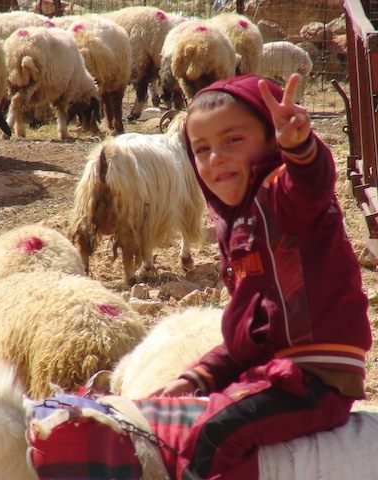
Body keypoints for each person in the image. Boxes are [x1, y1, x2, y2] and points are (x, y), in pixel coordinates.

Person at [157, 73, 372, 480]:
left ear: (271, 142)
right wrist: (198, 376)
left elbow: (312, 183)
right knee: (172, 416)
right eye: (201, 149)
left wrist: (299, 146)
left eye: (233, 140)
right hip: (275, 368)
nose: (215, 157)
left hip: (314, 376)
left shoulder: (281, 194)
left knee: (212, 434)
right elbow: (248, 334)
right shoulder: (236, 226)